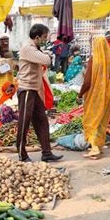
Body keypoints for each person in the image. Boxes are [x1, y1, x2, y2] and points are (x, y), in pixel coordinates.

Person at [16, 24, 63, 163]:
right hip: (26, 90)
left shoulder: (35, 48)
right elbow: (46, 60)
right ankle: (22, 154)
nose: (45, 40)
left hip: (34, 90)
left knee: (42, 120)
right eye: (44, 37)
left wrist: (46, 53)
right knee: (24, 123)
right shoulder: (28, 48)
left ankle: (46, 152)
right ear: (36, 37)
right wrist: (47, 54)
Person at [79, 36, 110, 159]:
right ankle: (98, 144)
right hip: (107, 95)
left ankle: (95, 148)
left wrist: (80, 94)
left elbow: (87, 82)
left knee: (92, 119)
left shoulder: (94, 60)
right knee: (101, 119)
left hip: (94, 96)